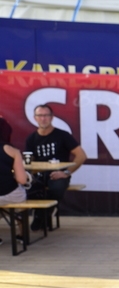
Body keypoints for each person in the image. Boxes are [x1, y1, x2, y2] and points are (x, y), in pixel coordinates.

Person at [25, 104, 86, 230]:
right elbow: (29, 160)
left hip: (58, 174)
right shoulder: (31, 138)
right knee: (25, 189)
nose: (43, 119)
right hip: (39, 175)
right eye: (40, 116)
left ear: (52, 117)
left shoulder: (63, 135)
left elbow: (81, 156)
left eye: (46, 115)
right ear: (35, 118)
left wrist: (66, 173)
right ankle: (39, 214)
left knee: (57, 187)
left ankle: (43, 214)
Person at [0, 118, 29, 246]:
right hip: (10, 195)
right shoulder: (13, 151)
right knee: (19, 206)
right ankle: (23, 235)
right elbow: (21, 180)